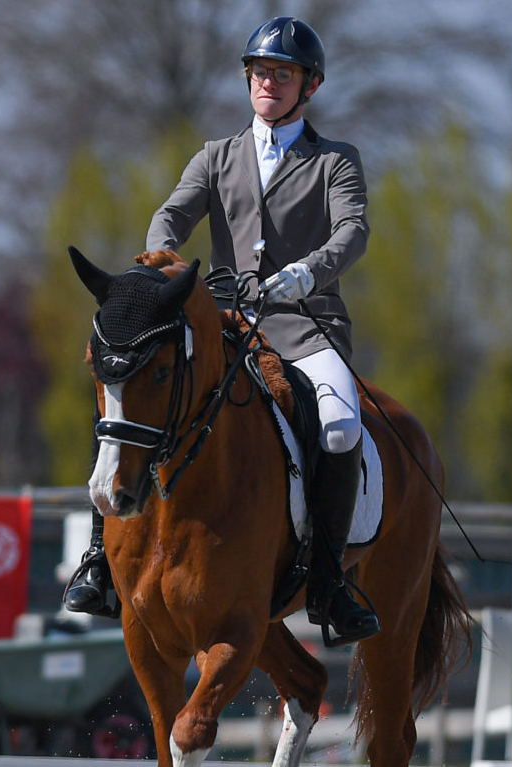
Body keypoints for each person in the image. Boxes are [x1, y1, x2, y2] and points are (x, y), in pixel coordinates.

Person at [64, 16, 380, 645]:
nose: (270, 82)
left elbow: (353, 232)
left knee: (342, 428)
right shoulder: (217, 156)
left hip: (304, 324)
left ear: (307, 86)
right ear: (248, 78)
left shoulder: (335, 161)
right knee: (131, 386)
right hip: (226, 326)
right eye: (262, 71)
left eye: (283, 74)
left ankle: (328, 583)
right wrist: (164, 271)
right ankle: (101, 559)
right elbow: (169, 217)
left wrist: (304, 275)